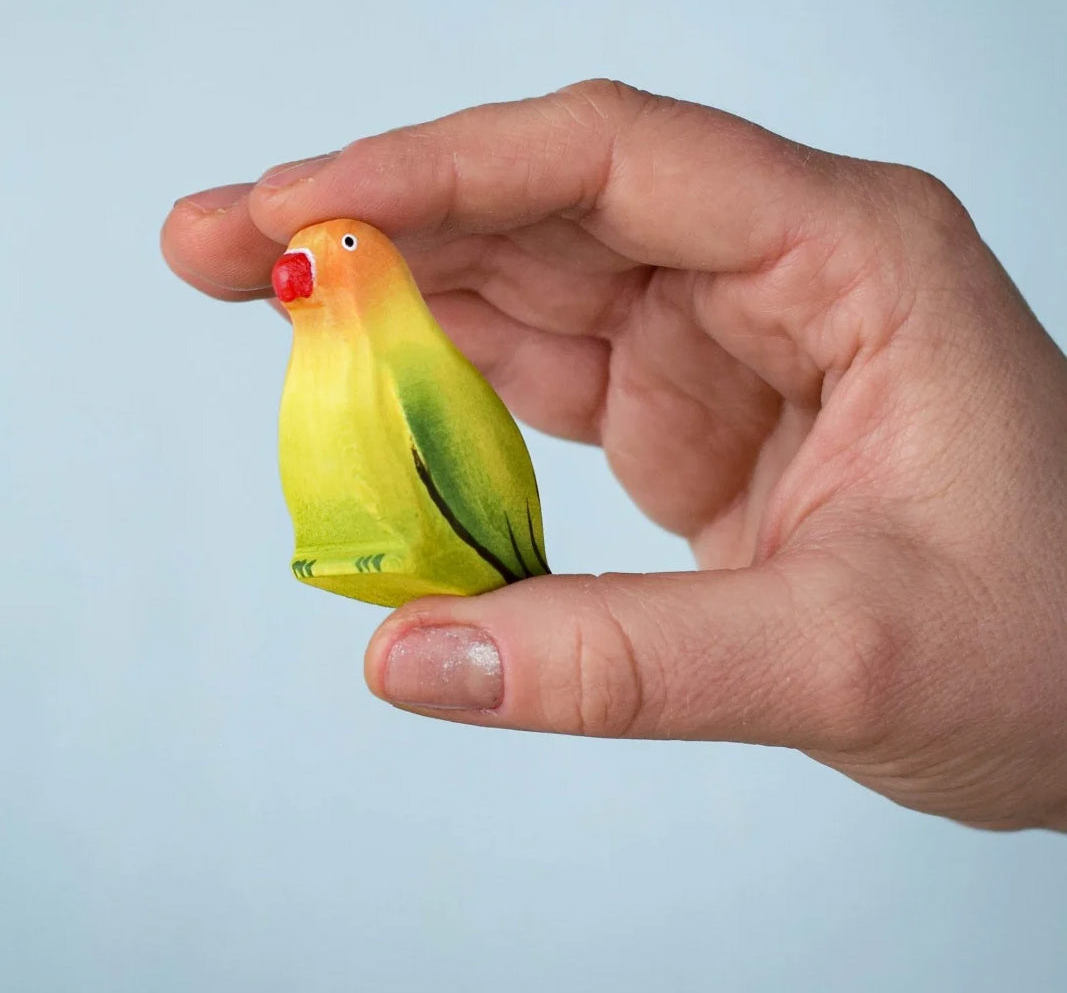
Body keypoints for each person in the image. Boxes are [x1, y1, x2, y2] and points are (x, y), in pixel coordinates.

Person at [161, 80, 1067, 832]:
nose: (306, 271)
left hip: (457, 547)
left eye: (340, 247)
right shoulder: (322, 355)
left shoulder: (420, 372)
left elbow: (434, 469)